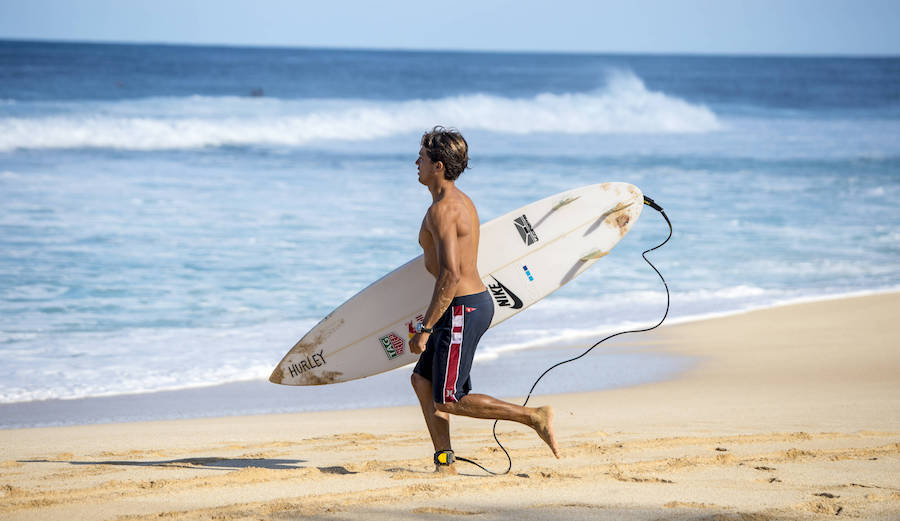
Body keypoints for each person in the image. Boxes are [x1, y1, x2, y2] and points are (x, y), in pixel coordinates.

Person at [409, 126, 560, 473]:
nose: (416, 162)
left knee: (450, 398)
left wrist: (425, 329)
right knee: (423, 381)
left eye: (422, 157)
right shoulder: (455, 202)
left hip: (462, 309)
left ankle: (534, 416)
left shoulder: (444, 210)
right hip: (460, 306)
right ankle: (445, 461)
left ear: (438, 166)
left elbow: (450, 275)